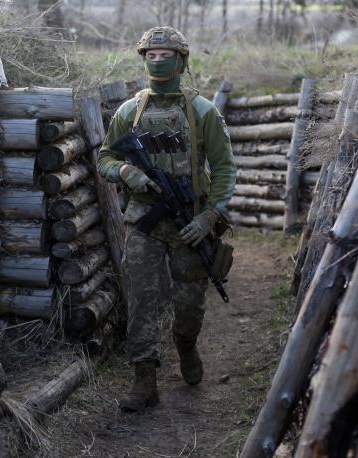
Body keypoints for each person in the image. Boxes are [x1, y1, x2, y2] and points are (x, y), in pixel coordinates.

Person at [97, 26, 236, 412]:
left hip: (190, 225)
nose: (157, 60)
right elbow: (106, 157)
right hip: (143, 220)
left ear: (181, 60)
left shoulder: (203, 111)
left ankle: (187, 346)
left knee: (189, 303)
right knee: (141, 299)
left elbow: (224, 169)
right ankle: (144, 379)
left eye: (165, 54)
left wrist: (210, 216)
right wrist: (127, 174)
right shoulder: (130, 111)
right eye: (150, 54)